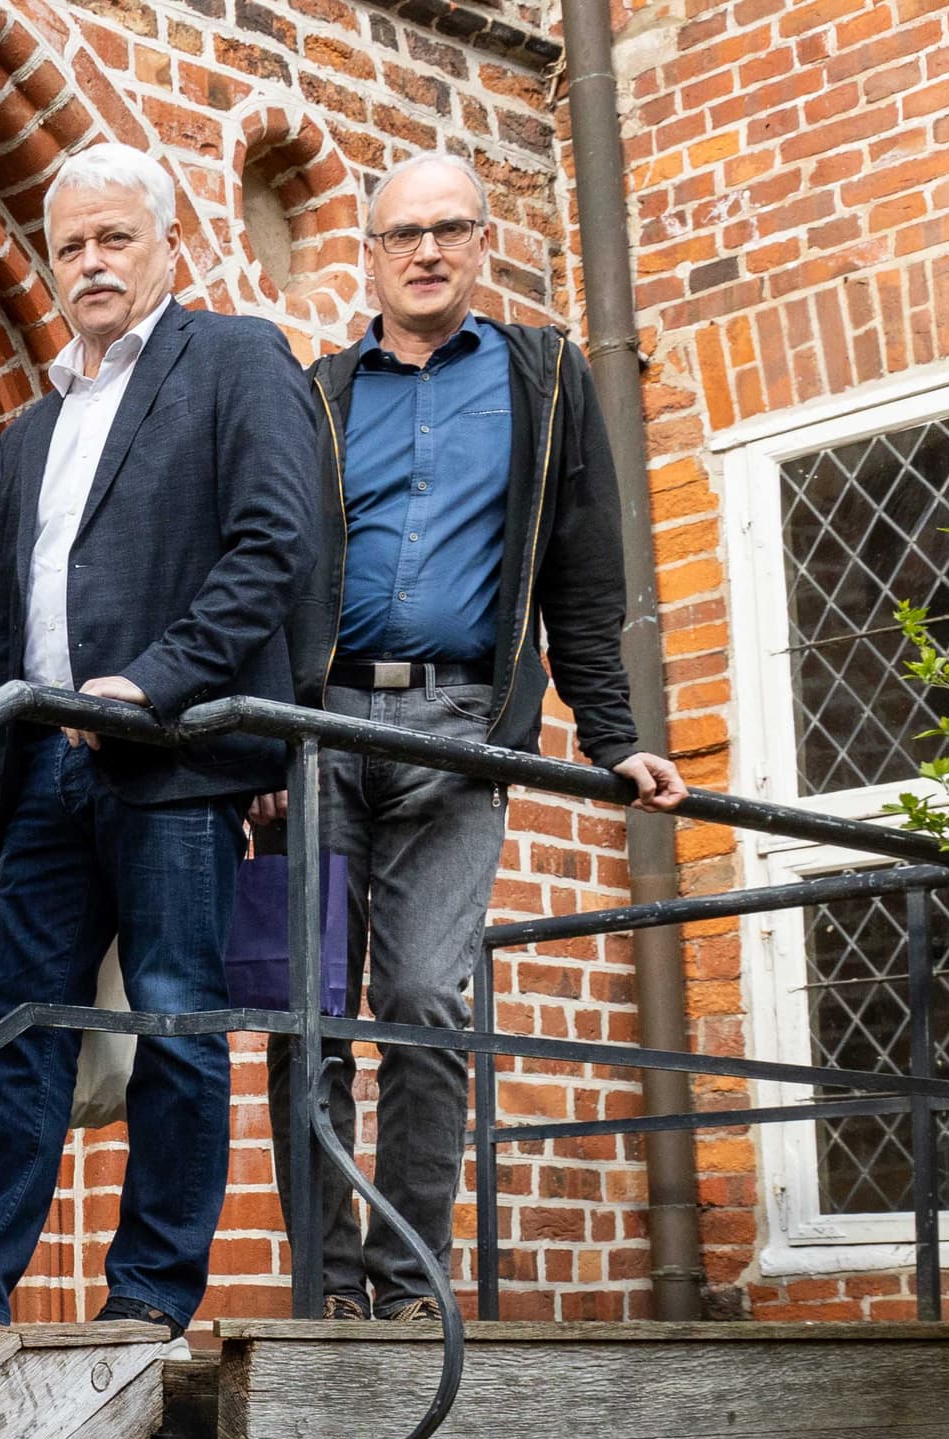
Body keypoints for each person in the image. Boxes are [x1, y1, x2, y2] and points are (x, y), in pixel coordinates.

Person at [0, 143, 338, 1352]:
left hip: (172, 756)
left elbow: (275, 545)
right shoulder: (31, 428)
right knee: (24, 1022)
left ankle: (149, 1293)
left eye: (113, 238)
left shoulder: (235, 359)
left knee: (177, 1021)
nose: (89, 262)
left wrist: (158, 679)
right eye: (70, 244)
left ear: (167, 247)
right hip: (47, 769)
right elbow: (12, 604)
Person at [288, 149, 689, 1318]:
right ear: (369, 253)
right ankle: (329, 1284)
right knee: (303, 1008)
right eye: (402, 234)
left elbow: (585, 568)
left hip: (459, 733)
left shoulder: (545, 379)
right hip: (313, 731)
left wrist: (613, 733)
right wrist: (262, 749)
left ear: (481, 243)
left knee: (424, 999)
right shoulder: (318, 392)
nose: (425, 252)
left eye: (448, 230)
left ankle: (410, 1280)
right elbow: (272, 571)